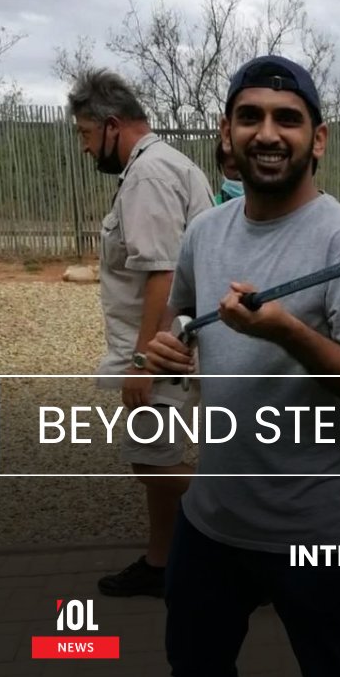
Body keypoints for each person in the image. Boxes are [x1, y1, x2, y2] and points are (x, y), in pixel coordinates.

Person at [144, 54, 340, 677]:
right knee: (196, 673)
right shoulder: (204, 234)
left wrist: (290, 333)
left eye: (288, 119)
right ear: (225, 132)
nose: (268, 133)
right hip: (210, 520)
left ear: (317, 139)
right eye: (250, 116)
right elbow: (181, 311)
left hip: (316, 530)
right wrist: (166, 346)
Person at [68, 69, 214, 597]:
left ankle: (258, 536)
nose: (85, 149)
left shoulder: (149, 175)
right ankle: (161, 563)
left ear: (111, 125)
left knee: (151, 460)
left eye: (85, 135)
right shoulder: (160, 164)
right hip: (168, 341)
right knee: (157, 455)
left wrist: (142, 363)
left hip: (161, 347)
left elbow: (163, 272)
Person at [213, 136, 244, 204]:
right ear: (221, 168)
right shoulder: (212, 205)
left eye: (245, 166)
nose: (240, 175)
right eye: (233, 168)